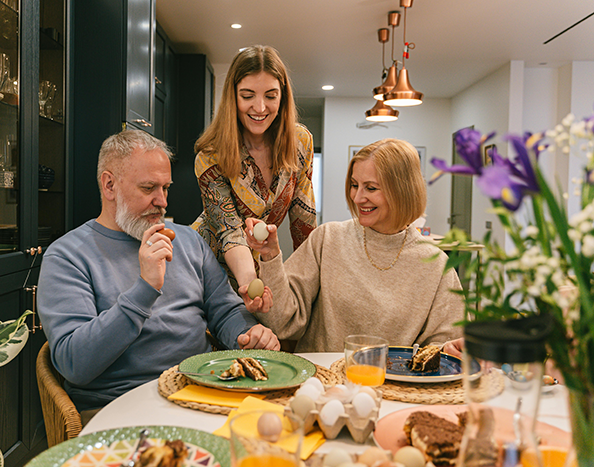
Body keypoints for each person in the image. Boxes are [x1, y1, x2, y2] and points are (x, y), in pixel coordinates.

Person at [37, 129, 279, 415]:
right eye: (148, 188)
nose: (162, 201)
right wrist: (145, 288)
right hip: (118, 408)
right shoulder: (68, 255)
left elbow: (225, 311)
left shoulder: (188, 241)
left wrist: (247, 333)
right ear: (109, 185)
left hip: (201, 392)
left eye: (166, 188)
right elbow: (74, 364)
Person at [245, 139, 464, 353]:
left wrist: (449, 350)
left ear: (402, 190)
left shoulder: (436, 264)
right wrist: (270, 255)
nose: (358, 198)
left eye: (371, 188)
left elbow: (444, 346)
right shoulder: (327, 239)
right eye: (354, 185)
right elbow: (283, 322)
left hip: (393, 387)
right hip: (321, 381)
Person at [192, 45, 317, 312]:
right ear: (232, 97)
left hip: (261, 265)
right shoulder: (210, 155)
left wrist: (312, 285)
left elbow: (304, 221)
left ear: (282, 97)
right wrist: (250, 282)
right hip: (209, 267)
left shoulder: (300, 142)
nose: (260, 107)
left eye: (271, 96)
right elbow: (230, 232)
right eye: (247, 96)